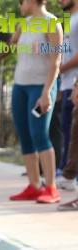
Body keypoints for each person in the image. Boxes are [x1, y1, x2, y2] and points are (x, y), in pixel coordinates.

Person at [6, 0, 63, 205]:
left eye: (22, 1)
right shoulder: (24, 23)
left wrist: (47, 92)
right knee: (25, 135)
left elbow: (56, 60)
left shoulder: (52, 23)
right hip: (20, 86)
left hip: (40, 87)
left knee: (39, 134)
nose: (20, 4)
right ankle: (34, 186)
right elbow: (13, 44)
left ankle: (51, 188)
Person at [57, 0, 77, 193]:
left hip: (75, 84)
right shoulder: (68, 21)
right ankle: (66, 172)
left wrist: (58, 68)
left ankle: (69, 174)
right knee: (69, 132)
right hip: (67, 85)